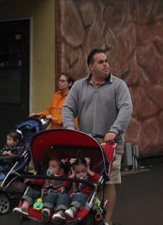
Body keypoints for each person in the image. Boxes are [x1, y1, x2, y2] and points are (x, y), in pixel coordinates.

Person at [62, 49, 133, 225]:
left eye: (106, 61)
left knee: (109, 183)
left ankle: (106, 222)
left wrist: (114, 130)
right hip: (86, 144)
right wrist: (70, 129)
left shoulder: (118, 85)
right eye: (101, 61)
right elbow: (68, 108)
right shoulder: (79, 86)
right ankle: (83, 214)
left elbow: (126, 109)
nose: (106, 64)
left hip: (110, 145)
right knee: (84, 181)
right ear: (91, 66)